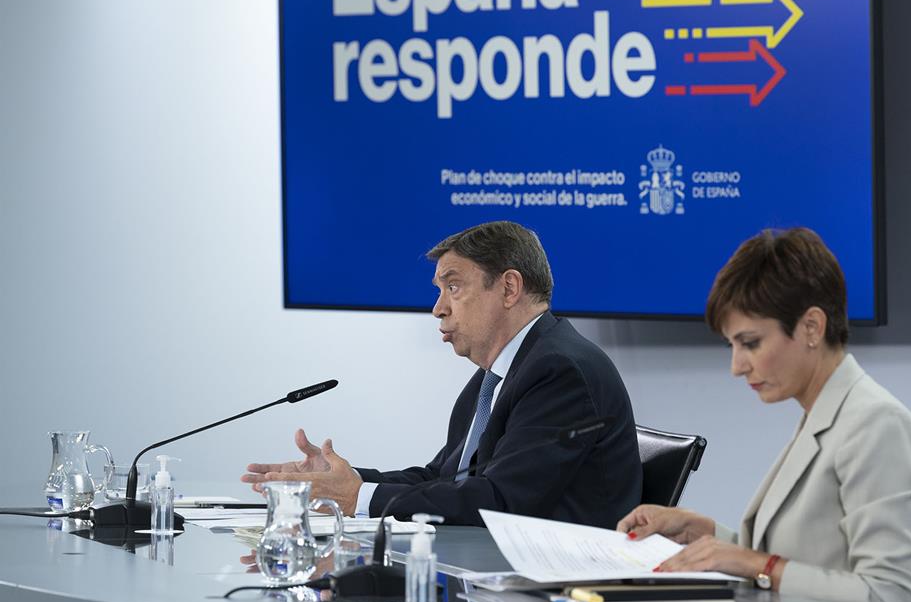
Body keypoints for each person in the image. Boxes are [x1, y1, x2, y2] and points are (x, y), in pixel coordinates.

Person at [618, 228, 911, 602]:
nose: (737, 366)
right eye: (733, 346)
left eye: (751, 343)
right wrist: (703, 534)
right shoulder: (829, 412)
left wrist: (757, 564)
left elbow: (887, 599)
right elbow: (808, 557)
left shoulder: (879, 427)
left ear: (811, 327)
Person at [243, 221, 642, 528]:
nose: (438, 309)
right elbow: (444, 477)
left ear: (509, 289)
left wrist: (359, 497)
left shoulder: (559, 371)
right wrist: (341, 480)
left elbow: (500, 502)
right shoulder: (500, 374)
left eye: (453, 287)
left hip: (563, 597)